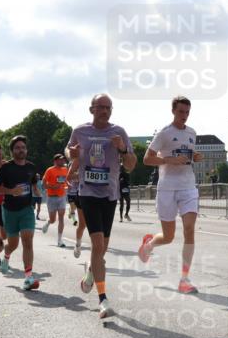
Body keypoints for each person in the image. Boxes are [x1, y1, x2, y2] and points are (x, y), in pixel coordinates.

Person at [68, 93, 136, 318]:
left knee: (102, 249)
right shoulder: (80, 131)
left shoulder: (119, 132)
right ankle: (103, 299)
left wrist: (123, 149)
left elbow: (131, 165)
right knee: (97, 245)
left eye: (108, 108)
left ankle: (90, 272)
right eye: (100, 107)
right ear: (91, 109)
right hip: (88, 193)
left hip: (110, 195)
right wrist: (73, 154)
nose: (104, 111)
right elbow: (71, 151)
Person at [138, 96, 206, 294]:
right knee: (168, 237)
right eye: (181, 112)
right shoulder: (164, 133)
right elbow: (147, 159)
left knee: (189, 228)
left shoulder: (192, 133)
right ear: (173, 111)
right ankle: (149, 244)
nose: (184, 116)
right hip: (167, 187)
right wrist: (169, 160)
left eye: (187, 112)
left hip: (188, 187)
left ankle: (184, 279)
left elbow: (189, 156)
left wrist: (196, 157)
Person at [0, 135, 40, 290]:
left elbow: (33, 181)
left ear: (26, 150)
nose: (21, 150)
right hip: (9, 210)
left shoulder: (31, 167)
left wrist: (36, 189)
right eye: (17, 148)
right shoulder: (6, 168)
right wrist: (11, 191)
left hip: (26, 210)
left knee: (27, 241)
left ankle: (28, 277)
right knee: (13, 244)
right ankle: (6, 256)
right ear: (12, 151)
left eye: (23, 147)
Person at [41, 153, 69, 247]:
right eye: (61, 159)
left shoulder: (65, 170)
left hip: (61, 197)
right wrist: (52, 186)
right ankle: (48, 222)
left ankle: (60, 240)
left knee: (61, 217)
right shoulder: (50, 170)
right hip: (51, 197)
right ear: (55, 161)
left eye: (63, 159)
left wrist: (67, 185)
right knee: (53, 219)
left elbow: (66, 181)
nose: (63, 161)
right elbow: (43, 185)